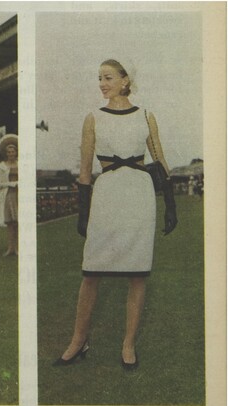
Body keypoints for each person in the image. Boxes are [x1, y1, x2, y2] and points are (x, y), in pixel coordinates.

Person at [53, 59, 177, 370]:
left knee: (137, 273)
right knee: (91, 271)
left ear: (125, 80)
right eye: (99, 78)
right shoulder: (92, 118)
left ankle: (128, 345)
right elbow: (84, 171)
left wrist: (171, 206)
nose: (102, 84)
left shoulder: (146, 116)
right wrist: (83, 213)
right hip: (107, 193)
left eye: (108, 77)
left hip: (139, 194)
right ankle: (78, 340)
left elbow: (160, 159)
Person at [0, 134, 19, 256]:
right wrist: (11, 183)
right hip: (8, 194)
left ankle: (18, 247)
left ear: (16, 152)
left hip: (19, 194)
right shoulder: (1, 166)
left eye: (13, 151)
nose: (11, 154)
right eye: (8, 152)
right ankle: (10, 248)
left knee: (18, 222)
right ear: (6, 153)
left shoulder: (21, 164)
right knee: (9, 222)